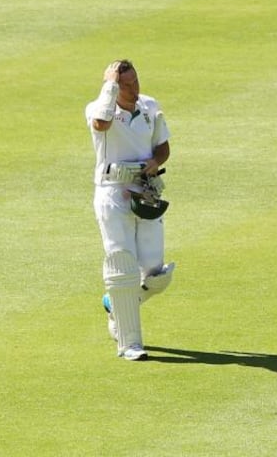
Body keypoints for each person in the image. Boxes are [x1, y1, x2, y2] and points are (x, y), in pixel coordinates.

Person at [85, 59, 176, 361]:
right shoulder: (98, 108)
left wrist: (156, 162)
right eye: (125, 85)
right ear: (112, 86)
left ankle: (117, 306)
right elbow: (101, 124)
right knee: (122, 266)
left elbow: (162, 147)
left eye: (135, 81)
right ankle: (129, 344)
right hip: (112, 193)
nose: (134, 88)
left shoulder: (149, 106)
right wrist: (110, 88)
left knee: (156, 273)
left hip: (145, 191)